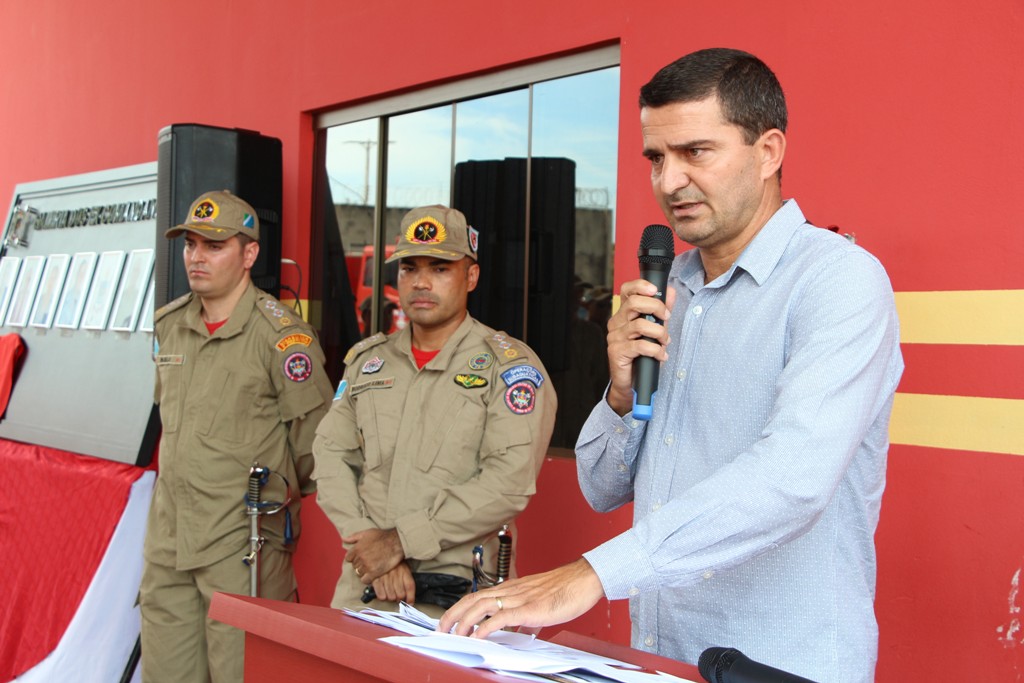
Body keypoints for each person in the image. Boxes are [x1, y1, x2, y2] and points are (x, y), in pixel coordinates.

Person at [439, 48, 904, 683]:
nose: (670, 181)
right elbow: (603, 487)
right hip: (658, 660)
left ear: (769, 152)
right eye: (657, 158)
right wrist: (623, 395)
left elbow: (794, 475)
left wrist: (595, 573)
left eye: (696, 152)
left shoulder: (838, 282)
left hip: (782, 663)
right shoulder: (667, 293)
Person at [312, 204, 557, 617]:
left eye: (441, 268)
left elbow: (507, 484)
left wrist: (399, 543)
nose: (422, 282)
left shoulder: (509, 368)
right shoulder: (368, 362)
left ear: (471, 276)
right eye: (410, 268)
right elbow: (330, 456)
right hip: (365, 587)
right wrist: (369, 542)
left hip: (460, 599)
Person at [139, 190, 334, 683]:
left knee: (243, 675)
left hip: (242, 545)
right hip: (170, 541)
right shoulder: (171, 325)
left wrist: (278, 509)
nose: (196, 256)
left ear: (249, 254)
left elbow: (315, 446)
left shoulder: (283, 337)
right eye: (190, 244)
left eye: (214, 245)